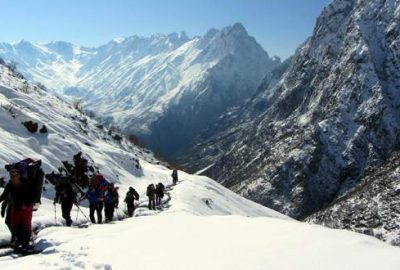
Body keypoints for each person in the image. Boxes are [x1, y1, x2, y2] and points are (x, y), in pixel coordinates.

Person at [1, 166, 35, 252]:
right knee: (15, 225)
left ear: (19, 175)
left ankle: (25, 244)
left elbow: (32, 196)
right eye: (11, 174)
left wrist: (26, 204)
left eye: (14, 174)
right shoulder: (10, 185)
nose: (12, 176)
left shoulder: (26, 184)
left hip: (26, 207)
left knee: (26, 225)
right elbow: (4, 195)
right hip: (16, 207)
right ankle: (19, 242)